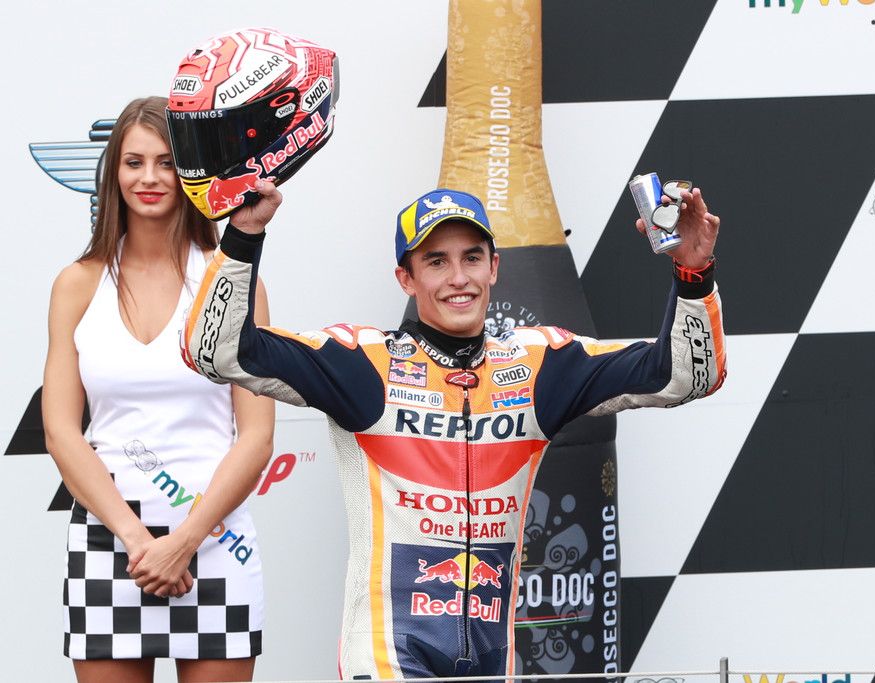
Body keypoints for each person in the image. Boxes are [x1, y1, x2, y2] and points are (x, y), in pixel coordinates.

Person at [181, 181, 724, 679]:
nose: (458, 278)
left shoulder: (540, 365)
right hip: (388, 651)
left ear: (494, 268)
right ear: (406, 277)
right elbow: (217, 352)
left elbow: (684, 375)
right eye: (436, 261)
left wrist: (693, 274)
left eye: (472, 258)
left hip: (491, 655)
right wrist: (243, 235)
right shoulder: (362, 363)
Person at [42, 96, 275, 683]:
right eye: (134, 162)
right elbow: (61, 432)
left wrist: (184, 541)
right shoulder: (76, 285)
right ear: (113, 173)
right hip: (111, 539)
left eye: (167, 162)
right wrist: (137, 539)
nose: (148, 178)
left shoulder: (233, 281)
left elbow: (256, 436)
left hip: (216, 538)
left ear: (191, 172)